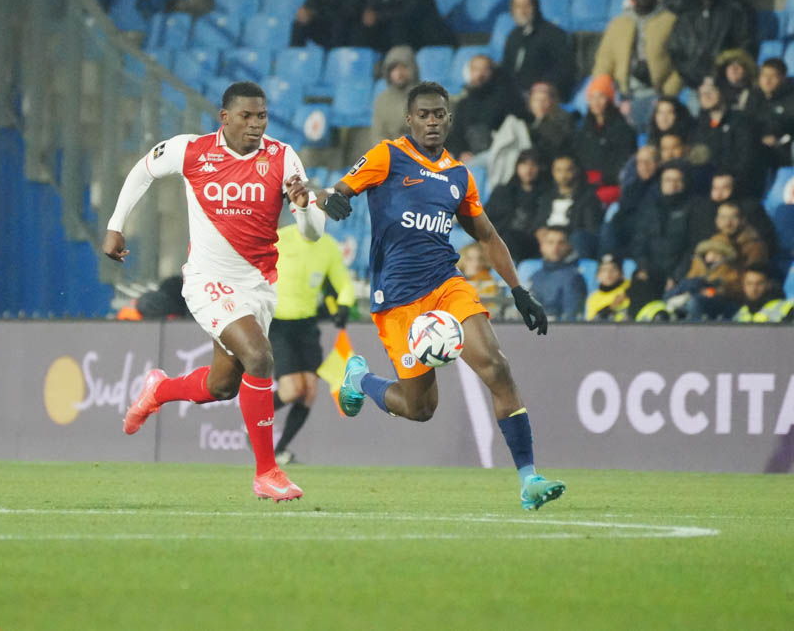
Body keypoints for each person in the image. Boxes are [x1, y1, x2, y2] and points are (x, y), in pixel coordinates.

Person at [314, 81, 566, 511]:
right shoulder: (387, 156)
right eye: (424, 115)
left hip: (445, 285)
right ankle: (359, 379)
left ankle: (529, 480)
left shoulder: (459, 175)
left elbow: (487, 235)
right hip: (397, 299)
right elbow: (333, 192)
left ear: (449, 119)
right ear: (409, 119)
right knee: (420, 408)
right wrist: (330, 200)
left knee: (497, 367)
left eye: (439, 114)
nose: (431, 122)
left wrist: (518, 290)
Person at [104, 81, 325, 502]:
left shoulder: (283, 158)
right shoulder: (191, 150)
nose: (256, 124)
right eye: (246, 116)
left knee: (222, 386)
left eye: (262, 116)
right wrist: (116, 225)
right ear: (225, 118)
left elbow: (313, 233)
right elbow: (143, 170)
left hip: (258, 286)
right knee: (259, 356)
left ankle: (159, 390)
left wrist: (304, 206)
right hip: (207, 281)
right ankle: (267, 472)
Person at [269, 222, 356, 466]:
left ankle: (280, 450)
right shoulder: (279, 238)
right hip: (278, 322)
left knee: (308, 392)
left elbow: (344, 284)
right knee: (292, 390)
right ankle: (252, 419)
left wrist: (344, 305)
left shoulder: (328, 246)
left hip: (307, 324)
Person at [591, 0, 683, 127]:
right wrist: (602, 89)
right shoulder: (618, 24)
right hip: (625, 94)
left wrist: (668, 93)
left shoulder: (670, 22)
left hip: (658, 94)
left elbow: (681, 61)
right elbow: (604, 60)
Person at [667, 0, 756, 90]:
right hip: (690, 82)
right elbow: (676, 49)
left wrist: (722, 73)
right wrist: (691, 75)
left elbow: (744, 46)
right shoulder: (685, 11)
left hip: (725, 84)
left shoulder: (736, 10)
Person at [630, 161, 701, 293]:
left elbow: (692, 248)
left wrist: (675, 277)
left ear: (685, 183)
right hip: (650, 274)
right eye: (668, 180)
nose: (672, 185)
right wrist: (644, 269)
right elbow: (639, 243)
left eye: (677, 180)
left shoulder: (694, 208)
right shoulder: (648, 208)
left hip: (679, 277)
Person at [689, 77, 763, 197]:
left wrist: (727, 177)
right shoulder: (698, 125)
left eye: (711, 91)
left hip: (737, 187)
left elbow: (746, 158)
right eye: (702, 94)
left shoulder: (741, 121)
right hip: (706, 187)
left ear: (722, 92)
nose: (706, 96)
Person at [447, 55, 526, 163]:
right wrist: (461, 152)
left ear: (492, 72)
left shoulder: (505, 99)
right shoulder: (464, 103)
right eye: (475, 69)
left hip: (495, 154)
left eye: (484, 69)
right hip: (467, 156)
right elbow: (457, 133)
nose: (479, 74)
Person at [573, 74, 637, 207]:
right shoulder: (584, 129)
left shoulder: (622, 129)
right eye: (592, 98)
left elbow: (625, 163)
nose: (596, 102)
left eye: (601, 97)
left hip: (611, 185)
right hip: (586, 185)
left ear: (609, 99)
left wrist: (602, 177)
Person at [502, 0, 574, 100]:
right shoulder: (513, 36)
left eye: (526, 5)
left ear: (535, 7)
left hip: (543, 95)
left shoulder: (554, 34)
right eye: (517, 6)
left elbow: (564, 69)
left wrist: (543, 87)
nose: (522, 11)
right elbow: (506, 68)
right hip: (515, 95)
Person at [535, 154, 604, 259]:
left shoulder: (588, 197)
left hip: (571, 238)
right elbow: (539, 221)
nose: (563, 175)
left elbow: (590, 228)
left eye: (568, 170)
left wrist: (562, 235)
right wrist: (539, 231)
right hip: (548, 237)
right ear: (553, 172)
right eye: (559, 170)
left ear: (576, 171)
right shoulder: (546, 197)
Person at [358, 0, 457, 52]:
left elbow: (409, 10)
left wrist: (378, 16)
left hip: (424, 36)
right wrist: (369, 14)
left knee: (398, 26)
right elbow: (372, 5)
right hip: (392, 34)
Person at [486, 149, 547, 261]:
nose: (528, 169)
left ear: (540, 168)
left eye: (533, 165)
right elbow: (486, 218)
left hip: (529, 243)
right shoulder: (502, 192)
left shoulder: (545, 196)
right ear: (517, 166)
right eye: (524, 164)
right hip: (501, 238)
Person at [602, 144, 660, 257]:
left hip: (649, 236)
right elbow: (622, 213)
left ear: (658, 163)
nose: (644, 166)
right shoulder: (631, 187)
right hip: (629, 234)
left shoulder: (664, 185)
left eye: (649, 161)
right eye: (640, 162)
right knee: (609, 226)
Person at [530, 226, 587, 321]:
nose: (555, 247)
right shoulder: (535, 276)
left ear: (568, 246)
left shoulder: (574, 277)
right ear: (542, 246)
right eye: (550, 242)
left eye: (561, 243)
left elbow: (572, 317)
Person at [291, 0, 366, 49]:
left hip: (347, 26)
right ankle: (295, 55)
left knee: (339, 24)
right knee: (300, 24)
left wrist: (318, 11)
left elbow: (351, 9)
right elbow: (311, 3)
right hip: (323, 22)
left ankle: (335, 57)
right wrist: (307, 12)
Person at [370, 45, 418, 144]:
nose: (399, 73)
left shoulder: (426, 97)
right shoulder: (382, 100)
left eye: (404, 67)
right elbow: (378, 135)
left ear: (413, 68)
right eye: (394, 69)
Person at [753, 58, 794, 169]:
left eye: (773, 76)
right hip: (755, 149)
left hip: (782, 153)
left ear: (783, 78)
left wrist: (780, 140)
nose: (767, 80)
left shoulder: (791, 100)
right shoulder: (753, 98)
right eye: (764, 75)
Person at [525, 82, 574, 168]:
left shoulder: (562, 123)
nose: (540, 104)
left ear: (553, 101)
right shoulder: (526, 121)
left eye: (544, 100)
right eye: (536, 100)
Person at [456, 243, 503, 318]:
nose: (476, 263)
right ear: (462, 260)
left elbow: (492, 309)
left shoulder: (488, 282)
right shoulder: (454, 280)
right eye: (469, 259)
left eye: (480, 259)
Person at [586, 254, 632, 321]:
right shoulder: (594, 298)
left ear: (621, 273)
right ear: (598, 275)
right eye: (604, 270)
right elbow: (592, 322)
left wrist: (628, 293)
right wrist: (611, 306)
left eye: (613, 269)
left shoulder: (630, 286)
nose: (608, 274)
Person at [715, 49, 761, 113]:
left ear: (747, 70)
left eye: (739, 65)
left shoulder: (754, 93)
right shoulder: (716, 90)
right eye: (730, 65)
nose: (734, 69)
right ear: (724, 69)